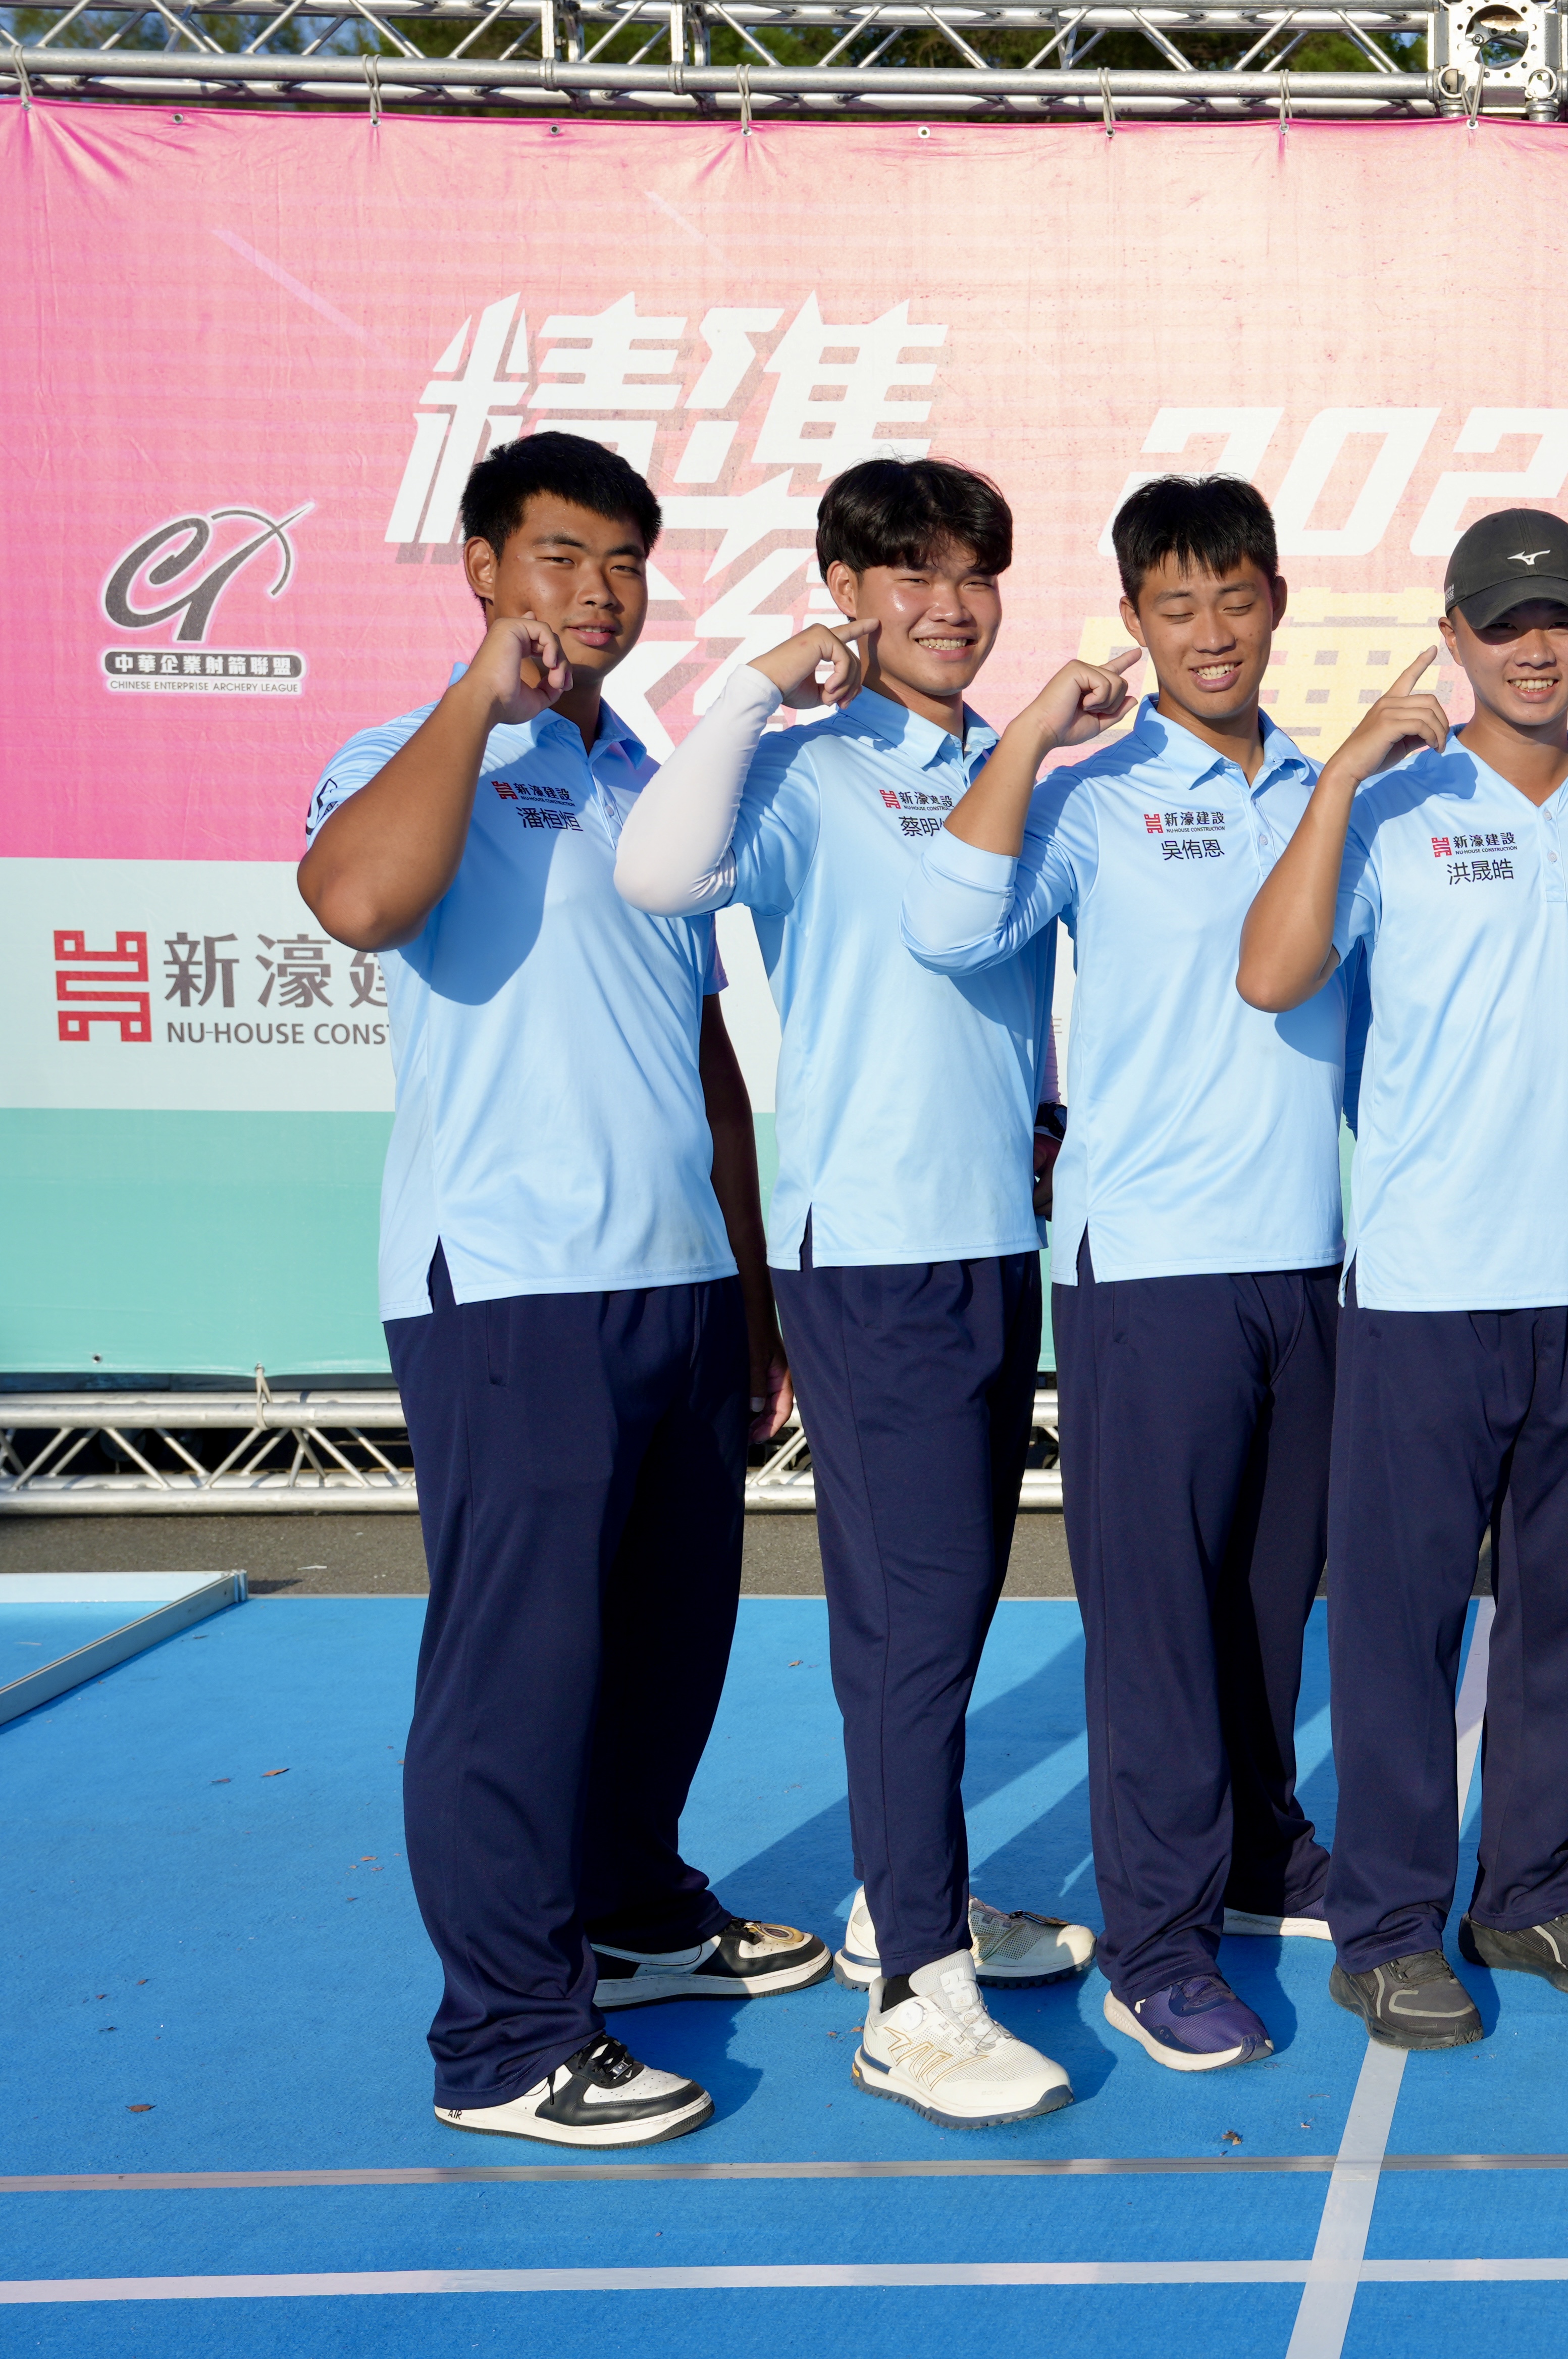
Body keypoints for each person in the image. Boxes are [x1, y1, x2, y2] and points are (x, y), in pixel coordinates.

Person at [295, 432, 826, 2150]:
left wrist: (749, 1301)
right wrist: (480, 699)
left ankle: (635, 1914)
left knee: (669, 1646)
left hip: (674, 1285)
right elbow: (361, 899)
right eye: (555, 558)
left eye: (619, 564)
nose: (592, 595)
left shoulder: (647, 772)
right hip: (510, 1285)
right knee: (515, 1671)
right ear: (480, 567)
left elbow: (703, 1055)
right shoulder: (406, 753)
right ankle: (507, 2040)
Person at [612, 457, 1088, 2129]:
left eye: (972, 576)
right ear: (845, 585)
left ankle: (913, 1899)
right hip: (869, 1254)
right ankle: (912, 2002)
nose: (947, 608)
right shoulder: (805, 773)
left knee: (944, 1613)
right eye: (909, 577)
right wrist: (751, 683)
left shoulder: (1011, 771)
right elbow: (660, 878)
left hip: (990, 1247)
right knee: (906, 1617)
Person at [906, 473, 1351, 2076]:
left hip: (1311, 1256)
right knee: (1159, 1625)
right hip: (1148, 1266)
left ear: (1277, 601)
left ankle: (1253, 1856)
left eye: (1236, 600)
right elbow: (952, 927)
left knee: (1263, 1606)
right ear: (1135, 620)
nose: (1212, 633)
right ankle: (1154, 1952)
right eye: (1177, 607)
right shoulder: (1094, 797)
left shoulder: (1336, 785)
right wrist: (1032, 733)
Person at [1235, 509, 1568, 2051]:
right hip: (1428, 1281)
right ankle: (1384, 1924)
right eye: (1504, 622)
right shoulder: (1387, 804)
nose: (1535, 644)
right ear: (1455, 635)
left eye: (1561, 614)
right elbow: (1274, 975)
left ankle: (1533, 1888)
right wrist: (1346, 773)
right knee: (1399, 1624)